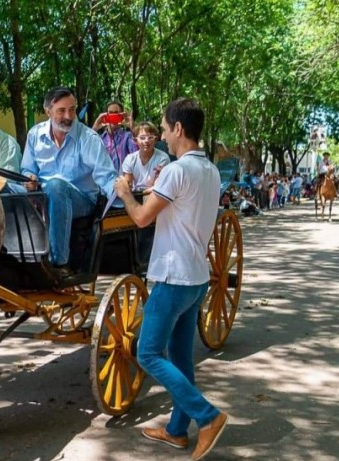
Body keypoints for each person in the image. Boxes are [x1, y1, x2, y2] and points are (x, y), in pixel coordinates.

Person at [112, 98, 228, 460]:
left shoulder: (178, 170)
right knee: (180, 358)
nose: (161, 136)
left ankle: (207, 416)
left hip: (172, 276)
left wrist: (125, 194)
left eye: (163, 129)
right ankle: (177, 431)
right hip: (196, 278)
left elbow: (144, 218)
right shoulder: (210, 170)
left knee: (146, 353)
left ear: (178, 129)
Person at [21, 86, 116, 278]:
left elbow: (106, 177)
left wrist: (124, 199)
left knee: (56, 186)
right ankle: (10, 258)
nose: (69, 115)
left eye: (72, 109)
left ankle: (59, 263)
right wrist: (29, 178)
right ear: (48, 111)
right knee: (5, 189)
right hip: (42, 196)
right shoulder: (34, 135)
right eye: (62, 111)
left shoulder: (88, 138)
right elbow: (27, 169)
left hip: (81, 200)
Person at [92, 99, 137, 174]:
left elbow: (138, 153)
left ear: (122, 116)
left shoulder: (128, 137)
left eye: (116, 113)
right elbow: (86, 153)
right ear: (105, 116)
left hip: (123, 181)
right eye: (110, 113)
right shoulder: (99, 138)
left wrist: (133, 128)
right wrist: (94, 129)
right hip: (102, 182)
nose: (113, 116)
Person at [121, 121, 170, 191]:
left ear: (156, 140)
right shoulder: (130, 159)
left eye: (150, 137)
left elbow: (159, 185)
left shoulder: (163, 158)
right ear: (135, 140)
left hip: (155, 194)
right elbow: (128, 185)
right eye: (142, 138)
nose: (146, 141)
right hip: (135, 195)